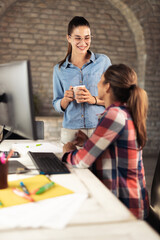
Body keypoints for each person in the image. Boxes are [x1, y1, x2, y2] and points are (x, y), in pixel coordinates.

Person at [62, 64, 149, 219]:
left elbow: (81, 161)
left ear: (107, 87)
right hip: (126, 201)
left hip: (126, 207)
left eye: (100, 81)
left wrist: (67, 151)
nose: (96, 84)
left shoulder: (114, 115)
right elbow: (114, 151)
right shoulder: (123, 111)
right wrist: (88, 142)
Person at [52, 16, 111, 143]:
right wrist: (65, 100)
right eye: (78, 38)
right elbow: (56, 103)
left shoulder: (103, 62)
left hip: (99, 127)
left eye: (87, 38)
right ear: (69, 38)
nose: (83, 43)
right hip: (71, 131)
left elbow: (114, 99)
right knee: (67, 163)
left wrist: (93, 100)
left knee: (99, 163)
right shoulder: (59, 69)